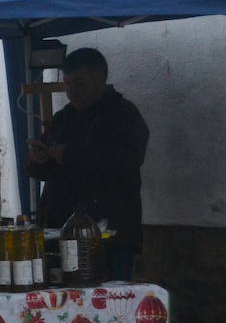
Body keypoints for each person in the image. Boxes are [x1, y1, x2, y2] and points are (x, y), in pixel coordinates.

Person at [27, 47, 149, 280]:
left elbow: (127, 161)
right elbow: (42, 169)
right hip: (61, 231)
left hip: (110, 234)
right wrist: (38, 159)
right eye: (68, 84)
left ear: (101, 77)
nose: (72, 92)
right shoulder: (64, 118)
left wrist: (70, 153)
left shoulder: (123, 115)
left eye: (79, 84)